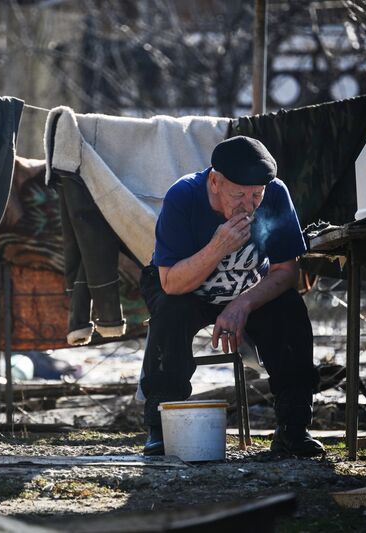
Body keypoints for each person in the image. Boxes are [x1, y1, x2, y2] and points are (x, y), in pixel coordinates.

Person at [139, 136, 324, 457]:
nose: (250, 205)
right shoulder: (183, 196)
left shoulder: (276, 194)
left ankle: (294, 428)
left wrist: (242, 304)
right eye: (239, 194)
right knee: (170, 312)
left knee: (289, 308)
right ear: (215, 182)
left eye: (256, 195)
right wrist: (218, 246)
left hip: (249, 287)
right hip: (186, 290)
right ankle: (162, 428)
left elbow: (286, 271)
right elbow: (170, 282)